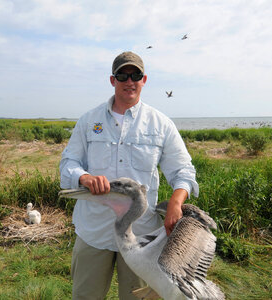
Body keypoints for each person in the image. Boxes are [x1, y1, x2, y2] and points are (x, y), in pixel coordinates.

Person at [59, 51, 199, 300]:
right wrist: (85, 178)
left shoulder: (161, 124)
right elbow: (68, 162)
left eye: (135, 75)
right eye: (122, 75)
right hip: (94, 231)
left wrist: (176, 203)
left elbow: (183, 171)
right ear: (112, 80)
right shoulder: (89, 121)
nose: (129, 81)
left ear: (144, 79)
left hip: (142, 236)